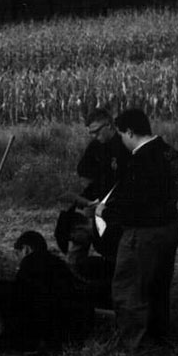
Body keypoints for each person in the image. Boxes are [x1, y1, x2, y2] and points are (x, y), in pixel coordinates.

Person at [97, 108, 178, 353]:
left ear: (130, 132)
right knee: (158, 285)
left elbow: (134, 206)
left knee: (129, 289)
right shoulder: (172, 154)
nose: (122, 141)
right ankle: (160, 335)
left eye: (122, 135)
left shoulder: (140, 161)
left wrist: (105, 212)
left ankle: (137, 346)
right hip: (170, 226)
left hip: (143, 233)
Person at [0, 230, 88, 353]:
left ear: (26, 249)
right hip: (70, 329)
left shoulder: (30, 263)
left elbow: (22, 297)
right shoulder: (59, 263)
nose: (18, 260)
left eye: (18, 254)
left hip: (45, 332)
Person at [60, 108, 130, 281]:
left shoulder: (123, 146)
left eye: (97, 132)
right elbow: (83, 171)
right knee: (77, 236)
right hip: (94, 200)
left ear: (109, 125)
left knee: (114, 248)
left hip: (116, 206)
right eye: (91, 133)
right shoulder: (95, 146)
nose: (94, 136)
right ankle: (76, 277)